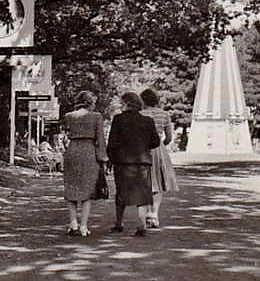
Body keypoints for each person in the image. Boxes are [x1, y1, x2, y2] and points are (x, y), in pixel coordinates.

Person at [107, 91, 160, 236]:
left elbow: (112, 143)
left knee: (121, 193)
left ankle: (119, 223)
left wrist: (111, 159)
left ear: (126, 103)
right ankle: (141, 224)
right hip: (142, 162)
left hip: (123, 162)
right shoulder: (148, 121)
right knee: (142, 194)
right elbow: (156, 141)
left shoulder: (118, 119)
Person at [60, 91, 107, 236]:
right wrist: (103, 158)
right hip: (89, 151)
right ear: (90, 102)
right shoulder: (96, 117)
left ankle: (73, 222)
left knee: (71, 188)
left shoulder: (69, 116)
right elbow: (100, 139)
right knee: (87, 190)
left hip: (72, 151)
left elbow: (64, 137)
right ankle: (83, 226)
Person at [140, 88, 179, 228]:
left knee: (145, 181)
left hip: (142, 148)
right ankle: (154, 213)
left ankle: (146, 213)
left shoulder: (140, 114)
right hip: (158, 148)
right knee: (158, 181)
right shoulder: (164, 114)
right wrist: (162, 145)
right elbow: (169, 137)